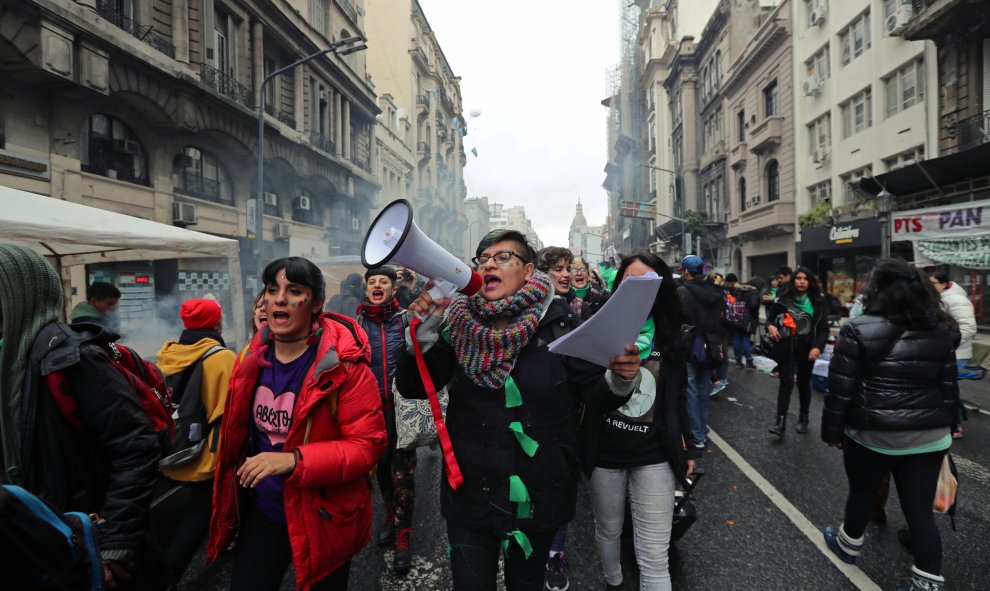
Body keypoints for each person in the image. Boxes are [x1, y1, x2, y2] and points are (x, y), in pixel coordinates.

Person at [395, 229, 641, 591]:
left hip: (538, 493)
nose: (489, 263)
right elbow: (414, 386)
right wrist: (425, 328)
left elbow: (593, 395)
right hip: (470, 495)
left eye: (502, 257)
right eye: (483, 259)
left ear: (528, 271)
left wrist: (621, 378)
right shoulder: (458, 323)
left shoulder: (560, 324)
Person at [207, 256, 387, 591]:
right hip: (264, 512)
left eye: (294, 290)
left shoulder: (345, 369)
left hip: (324, 514)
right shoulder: (250, 359)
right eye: (273, 289)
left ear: (316, 303)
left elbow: (367, 446)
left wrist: (294, 460)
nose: (278, 298)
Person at [0, 244, 160, 589]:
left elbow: (136, 445)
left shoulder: (72, 359)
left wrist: (114, 543)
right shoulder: (6, 357)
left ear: (17, 296)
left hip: (79, 547)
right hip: (28, 547)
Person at [822, 260, 960, 591]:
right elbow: (948, 384)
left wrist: (832, 431)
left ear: (877, 290)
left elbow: (841, 387)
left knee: (862, 493)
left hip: (872, 433)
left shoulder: (857, 328)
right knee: (920, 513)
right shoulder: (942, 329)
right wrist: (952, 425)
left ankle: (848, 544)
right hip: (929, 436)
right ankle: (927, 582)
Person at [581, 252, 700, 591]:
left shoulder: (672, 334)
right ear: (616, 287)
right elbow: (584, 393)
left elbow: (678, 395)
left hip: (654, 455)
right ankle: (614, 581)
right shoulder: (596, 328)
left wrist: (688, 444)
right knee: (609, 529)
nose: (636, 291)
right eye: (628, 282)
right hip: (604, 454)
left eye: (646, 284)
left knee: (654, 555)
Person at [153, 298, 236, 587]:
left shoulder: (169, 354)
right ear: (215, 322)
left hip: (181, 447)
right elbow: (231, 410)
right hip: (210, 451)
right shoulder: (221, 357)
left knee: (197, 507)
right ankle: (168, 576)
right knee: (201, 512)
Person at [355, 266, 418, 576]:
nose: (377, 285)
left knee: (402, 473)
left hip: (402, 410)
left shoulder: (406, 319)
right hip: (371, 412)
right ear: (366, 289)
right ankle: (390, 516)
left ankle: (404, 537)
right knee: (382, 469)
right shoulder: (355, 325)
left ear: (393, 289)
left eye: (383, 282)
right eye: (372, 282)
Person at [534, 245, 577, 591]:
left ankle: (555, 554)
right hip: (528, 423)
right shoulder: (523, 314)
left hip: (564, 423)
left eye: (567, 267)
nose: (564, 274)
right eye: (556, 269)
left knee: (561, 490)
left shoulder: (569, 314)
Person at [765, 266, 829, 437]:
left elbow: (823, 329)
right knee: (785, 383)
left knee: (803, 384)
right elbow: (769, 320)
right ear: (793, 281)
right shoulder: (783, 300)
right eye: (798, 278)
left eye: (805, 279)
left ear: (810, 282)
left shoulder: (818, 302)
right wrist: (771, 327)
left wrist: (817, 347)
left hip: (808, 350)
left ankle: (804, 418)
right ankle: (780, 423)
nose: (801, 281)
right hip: (787, 349)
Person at [676, 255, 724, 448]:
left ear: (686, 272)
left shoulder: (681, 292)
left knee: (692, 390)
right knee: (704, 389)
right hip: (712, 345)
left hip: (690, 345)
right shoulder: (716, 290)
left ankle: (697, 436)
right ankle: (702, 429)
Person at [929, 272, 977, 378]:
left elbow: (968, 327)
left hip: (956, 354)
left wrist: (949, 344)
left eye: (933, 283)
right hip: (943, 352)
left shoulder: (957, 300)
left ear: (944, 284)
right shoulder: (938, 299)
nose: (929, 286)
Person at [724, 273, 760, 370]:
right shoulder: (754, 292)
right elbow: (754, 306)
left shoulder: (738, 289)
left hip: (736, 316)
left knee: (736, 338)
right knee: (745, 339)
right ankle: (749, 362)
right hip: (747, 318)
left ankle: (738, 361)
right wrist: (755, 317)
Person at [570, 255, 608, 320]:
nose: (579, 273)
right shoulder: (562, 297)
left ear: (588, 275)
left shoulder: (601, 295)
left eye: (583, 270)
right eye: (574, 270)